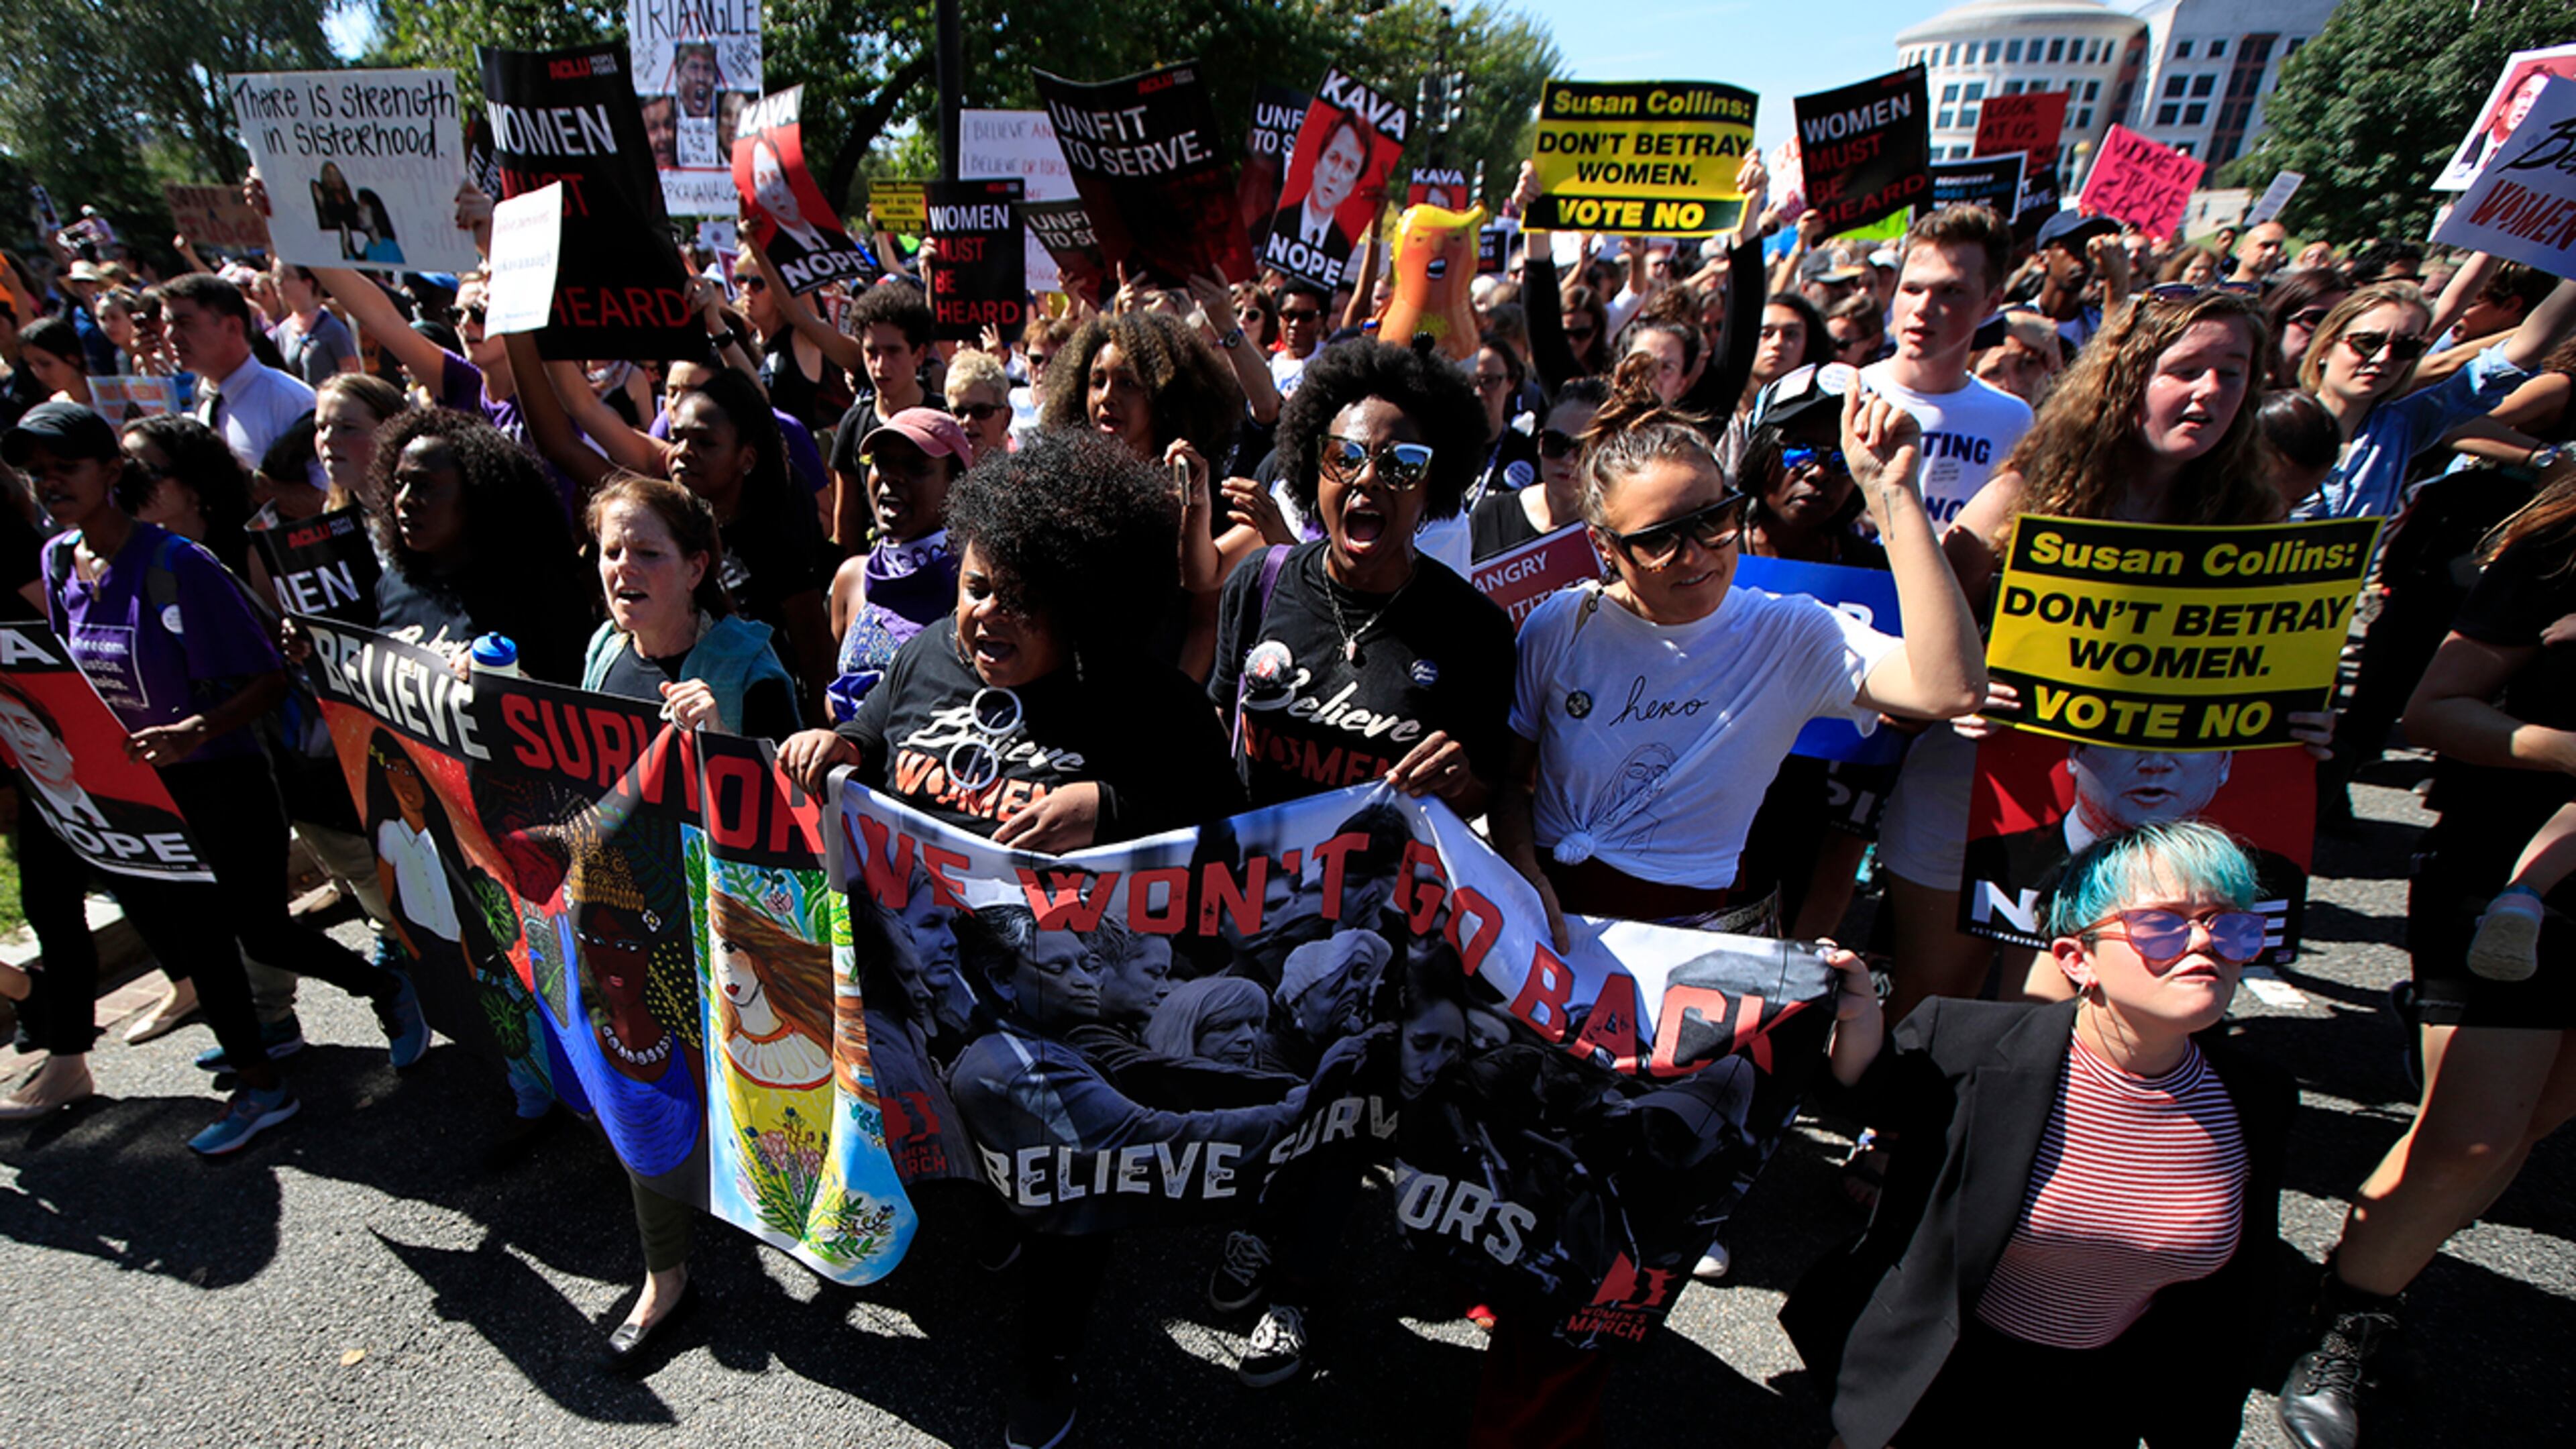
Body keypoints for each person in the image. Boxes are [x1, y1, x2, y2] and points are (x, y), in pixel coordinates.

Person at [778, 430, 1244, 1448]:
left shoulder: (1145, 701)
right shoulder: (926, 655)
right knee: (977, 1150)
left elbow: (1235, 836)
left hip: (1076, 1019)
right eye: (982, 586)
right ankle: (993, 1215)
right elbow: (884, 735)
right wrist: (842, 744)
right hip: (934, 988)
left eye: (1026, 599)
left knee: (1066, 1189)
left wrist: (1110, 802)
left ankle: (1049, 1360)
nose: (991, 615)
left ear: (1083, 605)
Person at [1783, 821, 2294, 1449]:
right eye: (2162, 927)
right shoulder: (1968, 1042)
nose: (2202, 945)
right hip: (1934, 1380)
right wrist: (1857, 1017)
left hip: (2102, 1400)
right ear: (2078, 960)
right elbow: (1869, 1095)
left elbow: (2234, 1300)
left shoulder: (2258, 1094)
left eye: (2230, 925)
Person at [0, 401, 427, 1148]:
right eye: (36, 473)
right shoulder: (55, 561)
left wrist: (194, 729)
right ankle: (259, 1077)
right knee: (200, 937)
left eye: (65, 468)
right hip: (144, 794)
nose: (48, 484)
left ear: (110, 472)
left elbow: (267, 676)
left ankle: (381, 986)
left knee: (259, 930)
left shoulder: (179, 564)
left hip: (226, 783)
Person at [2277, 471, 2576, 1449]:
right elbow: (2435, 709)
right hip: (2506, 864)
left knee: (2536, 1114)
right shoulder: (2555, 548)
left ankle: (2369, 1286)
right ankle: (2341, 1325)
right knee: (2475, 1136)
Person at [577, 472, 801, 1363]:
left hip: (735, 930)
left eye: (646, 552)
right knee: (643, 1086)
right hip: (631, 917)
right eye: (610, 550)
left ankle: (793, 1210)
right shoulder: (602, 650)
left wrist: (731, 746)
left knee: (758, 1093)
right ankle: (666, 1278)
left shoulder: (749, 661)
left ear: (697, 565)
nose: (622, 568)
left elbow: (798, 816)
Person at [1210, 337, 1515, 816]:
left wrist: (1458, 784)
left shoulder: (1476, 630)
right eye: (1344, 458)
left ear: (1432, 486)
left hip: (1379, 886)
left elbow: (1487, 794)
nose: (1368, 478)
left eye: (1402, 465)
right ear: (1315, 470)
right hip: (1256, 883)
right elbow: (1220, 733)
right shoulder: (1259, 582)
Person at [2293, 270, 2576, 521]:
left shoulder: (2403, 426)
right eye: (2368, 342)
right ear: (2327, 347)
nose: (2382, 358)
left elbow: (2517, 357)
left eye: (2404, 348)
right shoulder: (2273, 421)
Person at [358, 408, 596, 682]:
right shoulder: (396, 581)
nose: (405, 500)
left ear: (477, 492)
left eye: (424, 486)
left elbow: (573, 700)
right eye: (399, 484)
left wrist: (516, 686)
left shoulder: (540, 594)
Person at [824, 407, 971, 718]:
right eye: (882, 462)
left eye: (915, 467)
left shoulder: (972, 586)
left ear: (956, 485)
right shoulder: (852, 578)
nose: (892, 477)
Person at [162, 272, 315, 476]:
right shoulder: (205, 400)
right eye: (168, 324)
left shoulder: (290, 401)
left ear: (233, 327)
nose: (170, 336)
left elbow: (327, 497)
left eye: (185, 324)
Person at [1471, 378, 1607, 560]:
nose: (1568, 460)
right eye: (1555, 443)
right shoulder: (1491, 517)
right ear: (1540, 442)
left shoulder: (1615, 532)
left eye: (1584, 449)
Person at [1258, 112, 1373, 286]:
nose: (1336, 174)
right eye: (1333, 158)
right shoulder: (1275, 223)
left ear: (1353, 185)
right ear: (1317, 162)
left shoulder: (1342, 246)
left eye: (1350, 167)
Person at [268, 262, 359, 386]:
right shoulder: (283, 331)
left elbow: (352, 377)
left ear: (308, 283)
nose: (279, 282)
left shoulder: (333, 329)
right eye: (276, 276)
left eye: (286, 276)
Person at [943, 346, 1013, 462]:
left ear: (1006, 418)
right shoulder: (936, 476)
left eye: (981, 411)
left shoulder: (1021, 476)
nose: (967, 421)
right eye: (959, 412)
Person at [2231, 221, 2291, 286]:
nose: (2273, 252)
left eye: (2278, 248)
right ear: (2241, 251)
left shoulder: (2277, 294)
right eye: (2266, 245)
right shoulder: (2220, 292)